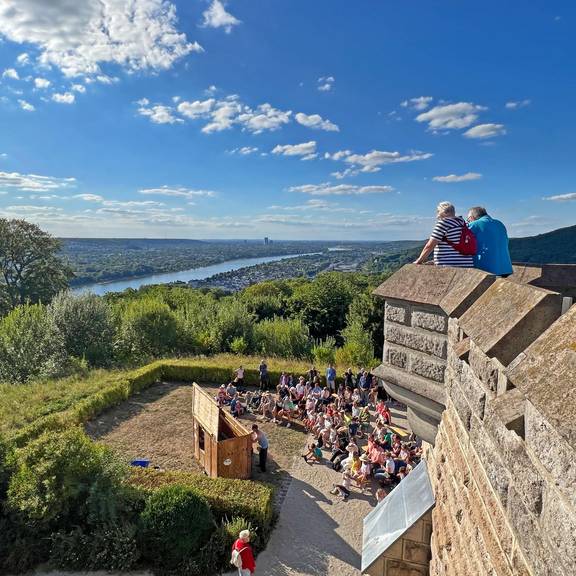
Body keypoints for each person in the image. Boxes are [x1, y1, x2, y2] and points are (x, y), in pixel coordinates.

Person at [414, 202, 474, 268]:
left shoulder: (444, 223)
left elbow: (430, 246)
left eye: (438, 212)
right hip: (467, 264)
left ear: (442, 212)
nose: (437, 215)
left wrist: (419, 260)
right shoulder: (462, 223)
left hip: (450, 265)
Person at [467, 206, 513, 277]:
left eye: (468, 220)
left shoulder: (474, 224)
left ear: (471, 218)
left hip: (487, 268)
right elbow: (506, 241)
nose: (468, 222)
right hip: (506, 268)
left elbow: (460, 241)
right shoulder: (499, 223)